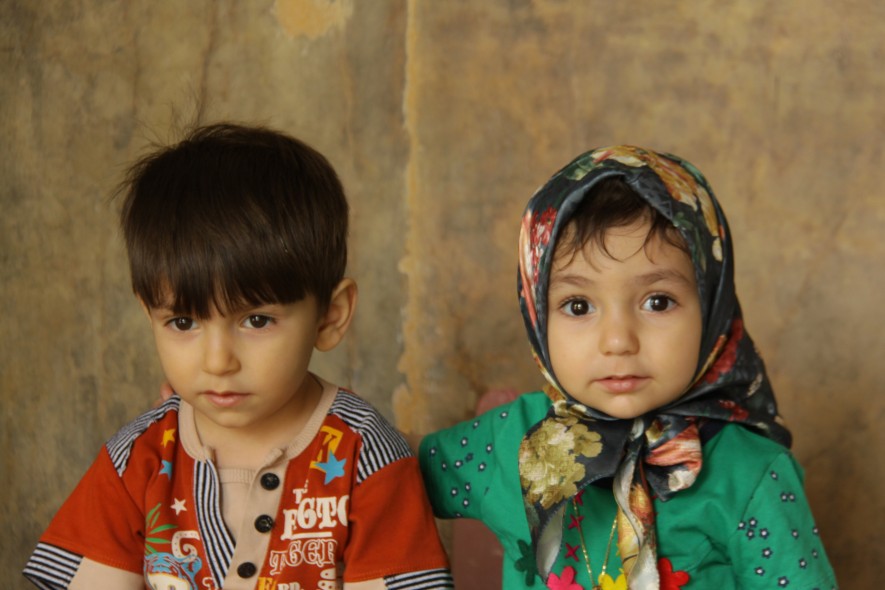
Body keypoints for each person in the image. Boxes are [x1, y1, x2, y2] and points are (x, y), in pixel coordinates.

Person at [23, 123, 453, 590]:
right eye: (183, 323)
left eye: (257, 320)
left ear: (329, 317)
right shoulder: (138, 459)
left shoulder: (365, 457)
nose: (218, 362)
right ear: (149, 315)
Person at [419, 146, 837, 589]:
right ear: (536, 314)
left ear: (713, 309)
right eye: (578, 306)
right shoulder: (508, 439)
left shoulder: (750, 475)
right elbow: (389, 478)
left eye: (658, 302)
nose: (618, 341)